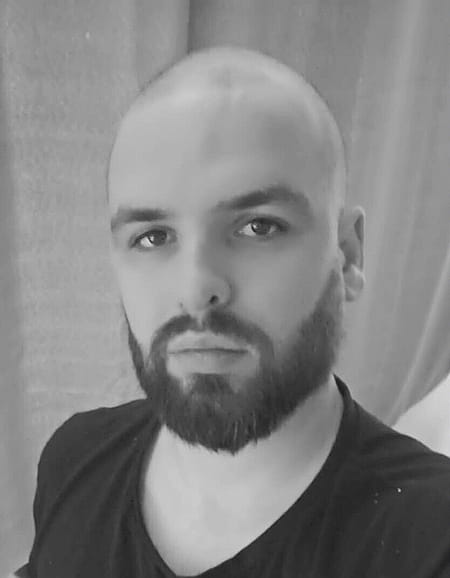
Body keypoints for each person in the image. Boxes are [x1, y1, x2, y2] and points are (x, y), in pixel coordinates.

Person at [24, 47, 450, 578]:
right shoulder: (73, 459)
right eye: (153, 237)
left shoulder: (432, 540)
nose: (196, 289)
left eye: (258, 227)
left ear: (347, 256)